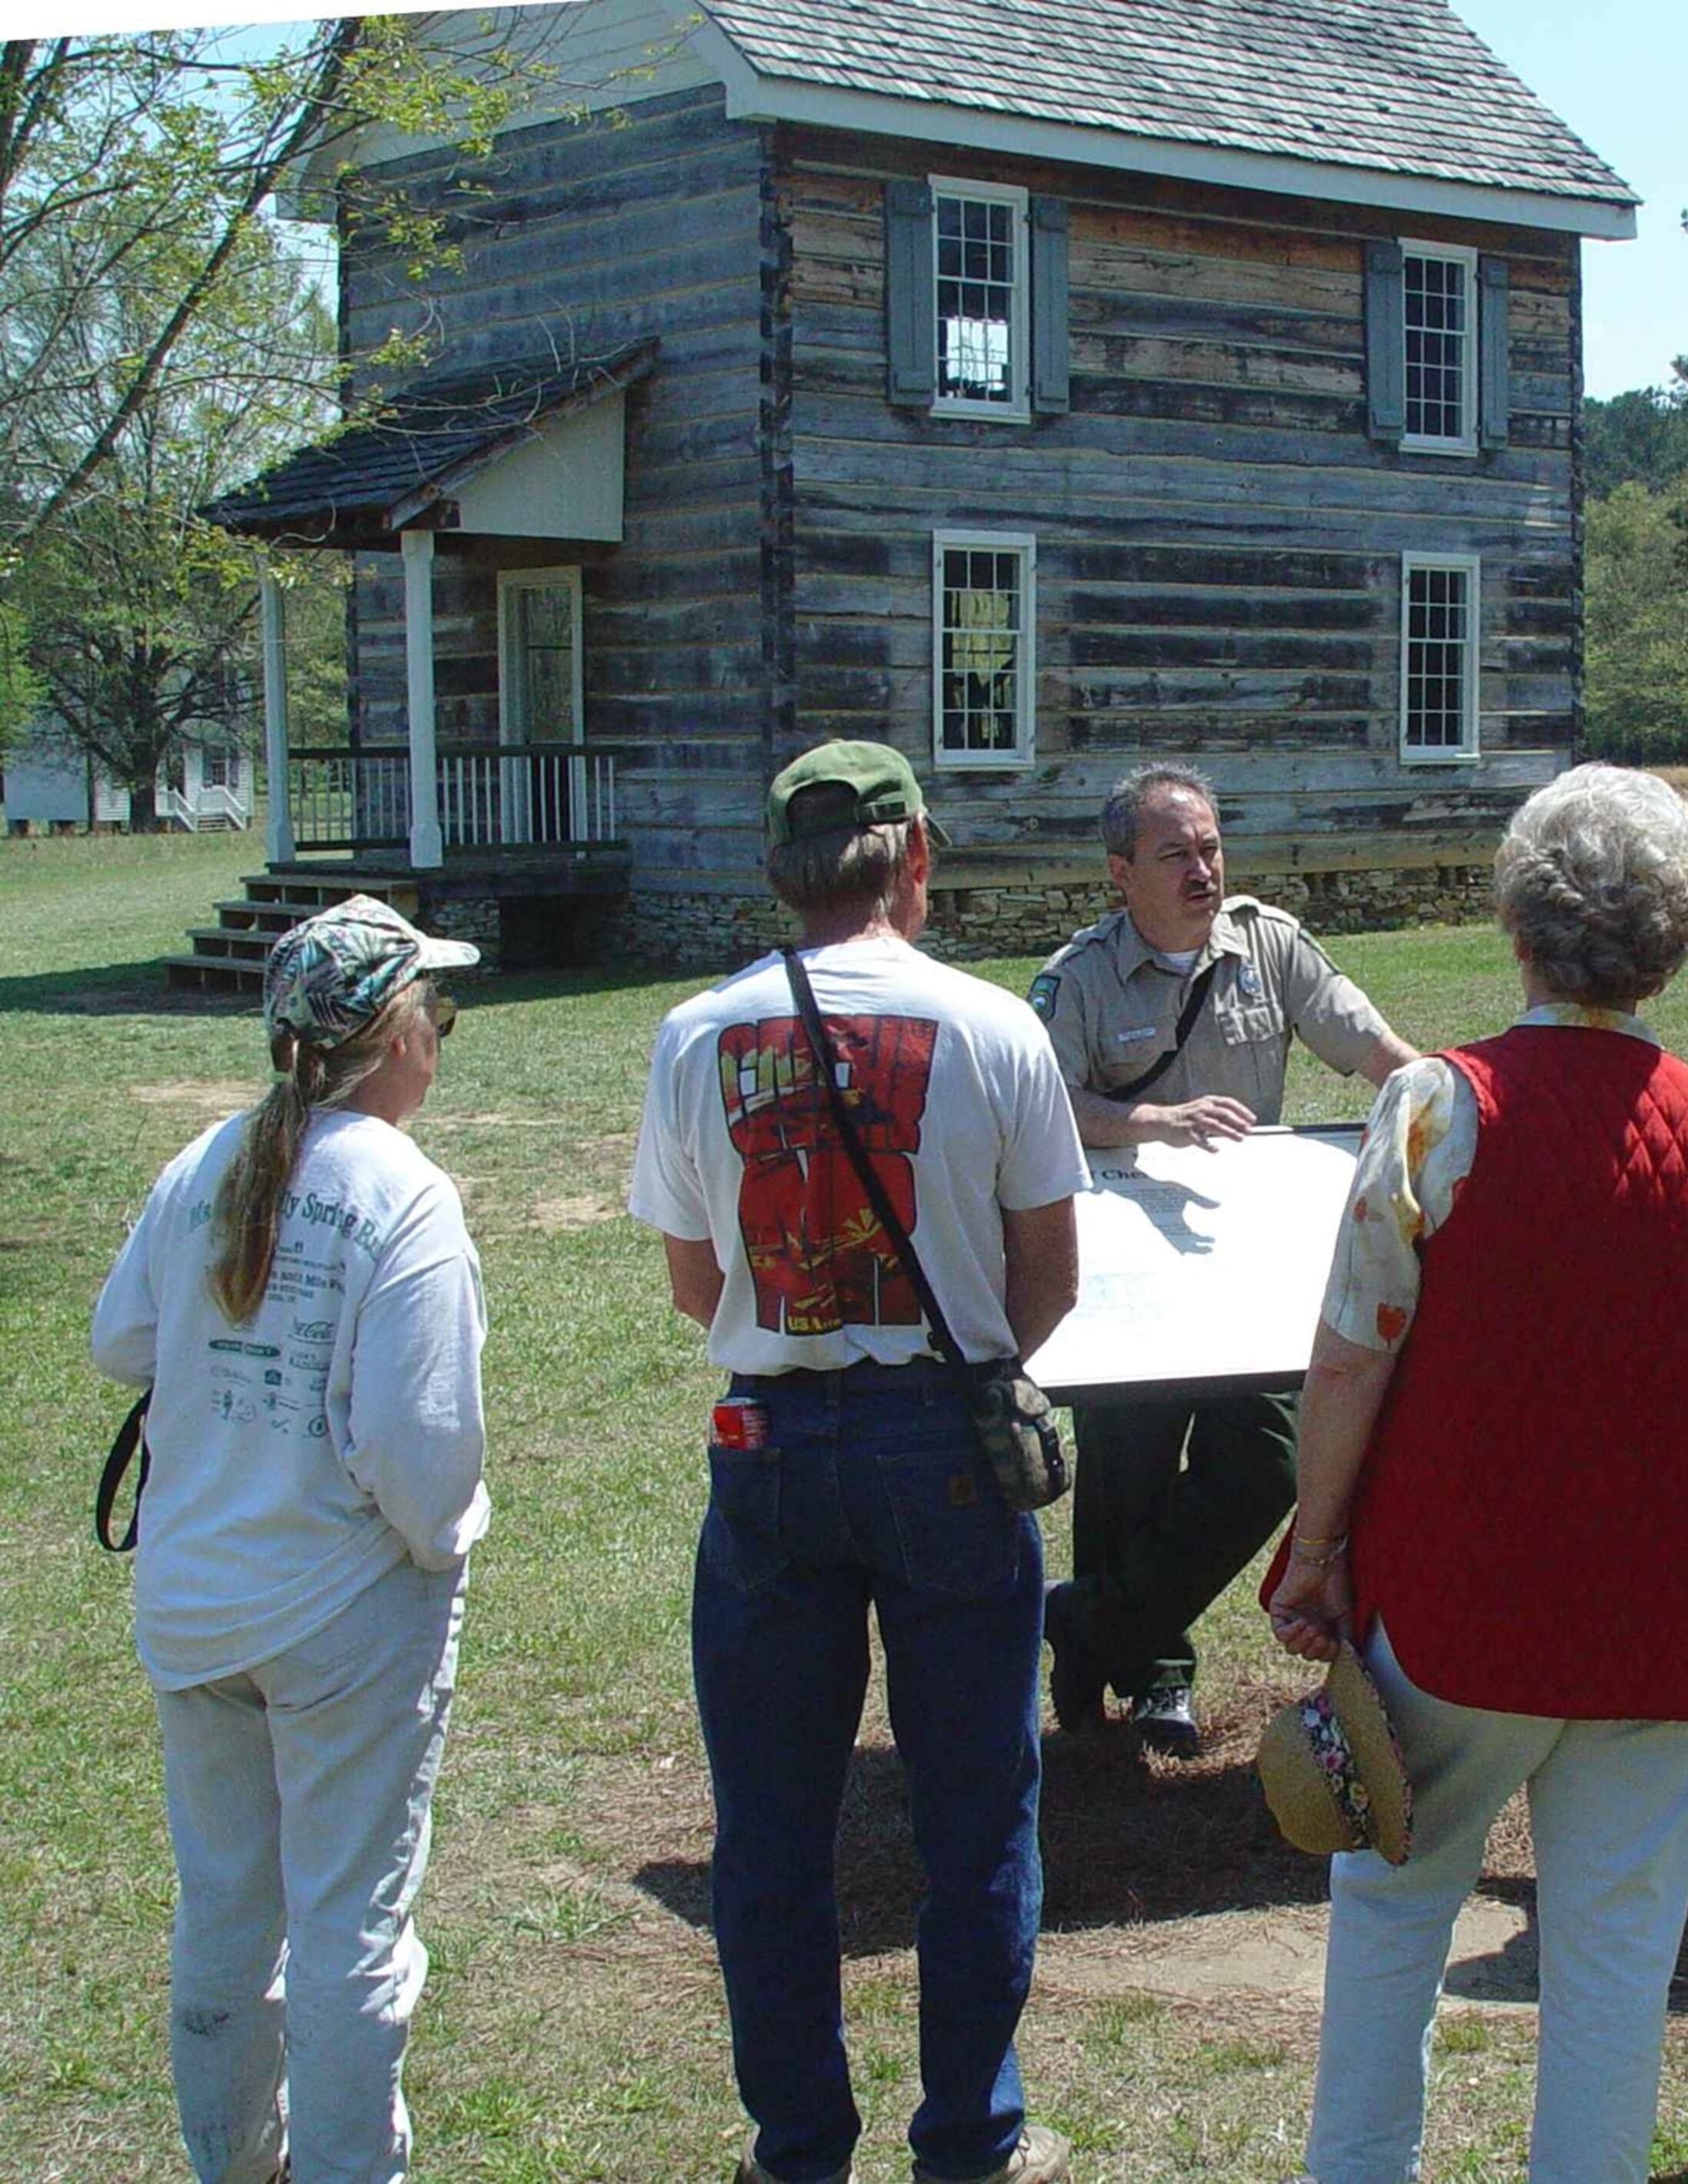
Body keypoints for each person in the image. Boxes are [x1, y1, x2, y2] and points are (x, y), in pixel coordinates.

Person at [1266, 764, 1688, 2184]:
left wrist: (1317, 1552)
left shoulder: (1433, 1108)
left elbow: (1349, 1358)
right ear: (1672, 938)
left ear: (1519, 923)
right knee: (1616, 1950)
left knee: (1393, 1903)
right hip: (1671, 1618)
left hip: (1462, 1611)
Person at [629, 741, 1087, 2184]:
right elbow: (1050, 1278)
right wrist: (956, 1362)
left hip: (767, 1442)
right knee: (974, 1811)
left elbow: (697, 1282)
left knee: (767, 1822)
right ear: (917, 856)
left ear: (781, 869)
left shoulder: (698, 1033)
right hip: (947, 1439)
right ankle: (968, 2136)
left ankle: (798, 2144)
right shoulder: (992, 1024)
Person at [92, 894, 489, 2184]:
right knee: (351, 1925)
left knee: (224, 1906)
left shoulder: (204, 1161)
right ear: (393, 1035)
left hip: (193, 1600)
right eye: (439, 1010)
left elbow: (122, 1342)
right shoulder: (404, 1193)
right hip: (338, 1612)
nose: (442, 1034)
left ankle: (234, 2159)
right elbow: (421, 1457)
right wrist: (443, 1541)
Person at [1032, 763, 1415, 1753]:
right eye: (1175, 855)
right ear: (1121, 873)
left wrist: (1445, 1102)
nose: (1202, 869)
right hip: (1134, 1276)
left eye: (1209, 847)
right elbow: (1039, 1106)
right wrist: (1150, 1121)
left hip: (1256, 1268)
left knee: (1271, 1458)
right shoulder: (1080, 977)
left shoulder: (1272, 946)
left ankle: (1092, 1625)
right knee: (1132, 1470)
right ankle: (1151, 1677)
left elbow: (1376, 1053)